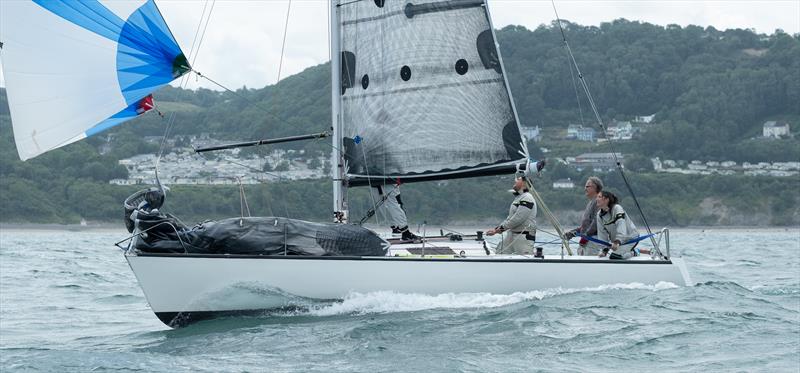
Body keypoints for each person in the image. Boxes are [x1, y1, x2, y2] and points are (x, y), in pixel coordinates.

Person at [486, 173, 537, 255]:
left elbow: (518, 218)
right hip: (512, 234)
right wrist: (497, 229)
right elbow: (510, 218)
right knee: (500, 253)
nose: (515, 180)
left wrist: (500, 229)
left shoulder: (527, 197)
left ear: (524, 183)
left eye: (518, 179)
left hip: (523, 236)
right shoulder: (518, 198)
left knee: (525, 261)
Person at [564, 176, 603, 255]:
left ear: (595, 188)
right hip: (586, 241)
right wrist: (572, 233)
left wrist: (586, 236)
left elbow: (597, 221)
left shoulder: (598, 201)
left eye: (587, 186)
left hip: (594, 241)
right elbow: (585, 225)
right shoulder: (590, 203)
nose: (585, 189)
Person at [595, 191, 639, 260]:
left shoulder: (617, 208)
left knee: (615, 256)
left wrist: (617, 241)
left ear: (607, 200)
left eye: (599, 197)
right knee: (604, 256)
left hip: (631, 239)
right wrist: (604, 249)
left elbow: (621, 226)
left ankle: (634, 252)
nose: (596, 199)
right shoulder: (599, 215)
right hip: (618, 242)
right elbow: (602, 233)